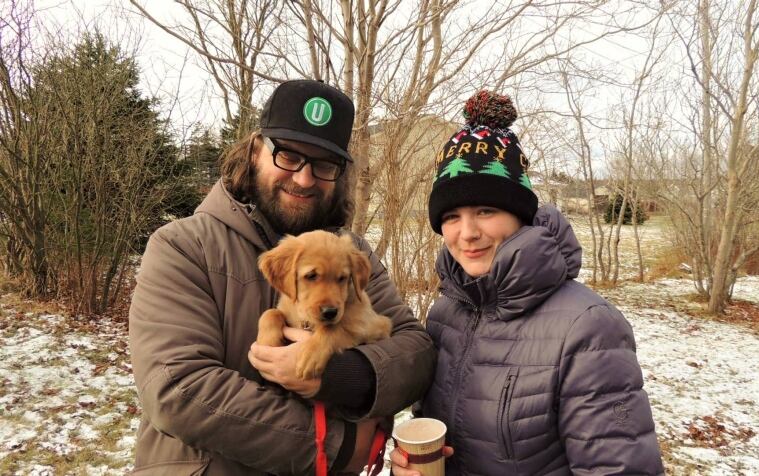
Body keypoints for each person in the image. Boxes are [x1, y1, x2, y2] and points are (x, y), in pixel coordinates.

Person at [129, 79, 436, 475]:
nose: (305, 179)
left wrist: (344, 375)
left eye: (324, 165)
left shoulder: (349, 253)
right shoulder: (183, 246)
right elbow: (178, 389)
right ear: (256, 150)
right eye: (288, 156)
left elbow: (417, 354)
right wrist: (333, 447)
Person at [390, 91, 664, 475]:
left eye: (485, 211)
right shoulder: (445, 311)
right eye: (451, 216)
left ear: (519, 216)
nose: (466, 233)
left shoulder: (588, 329)